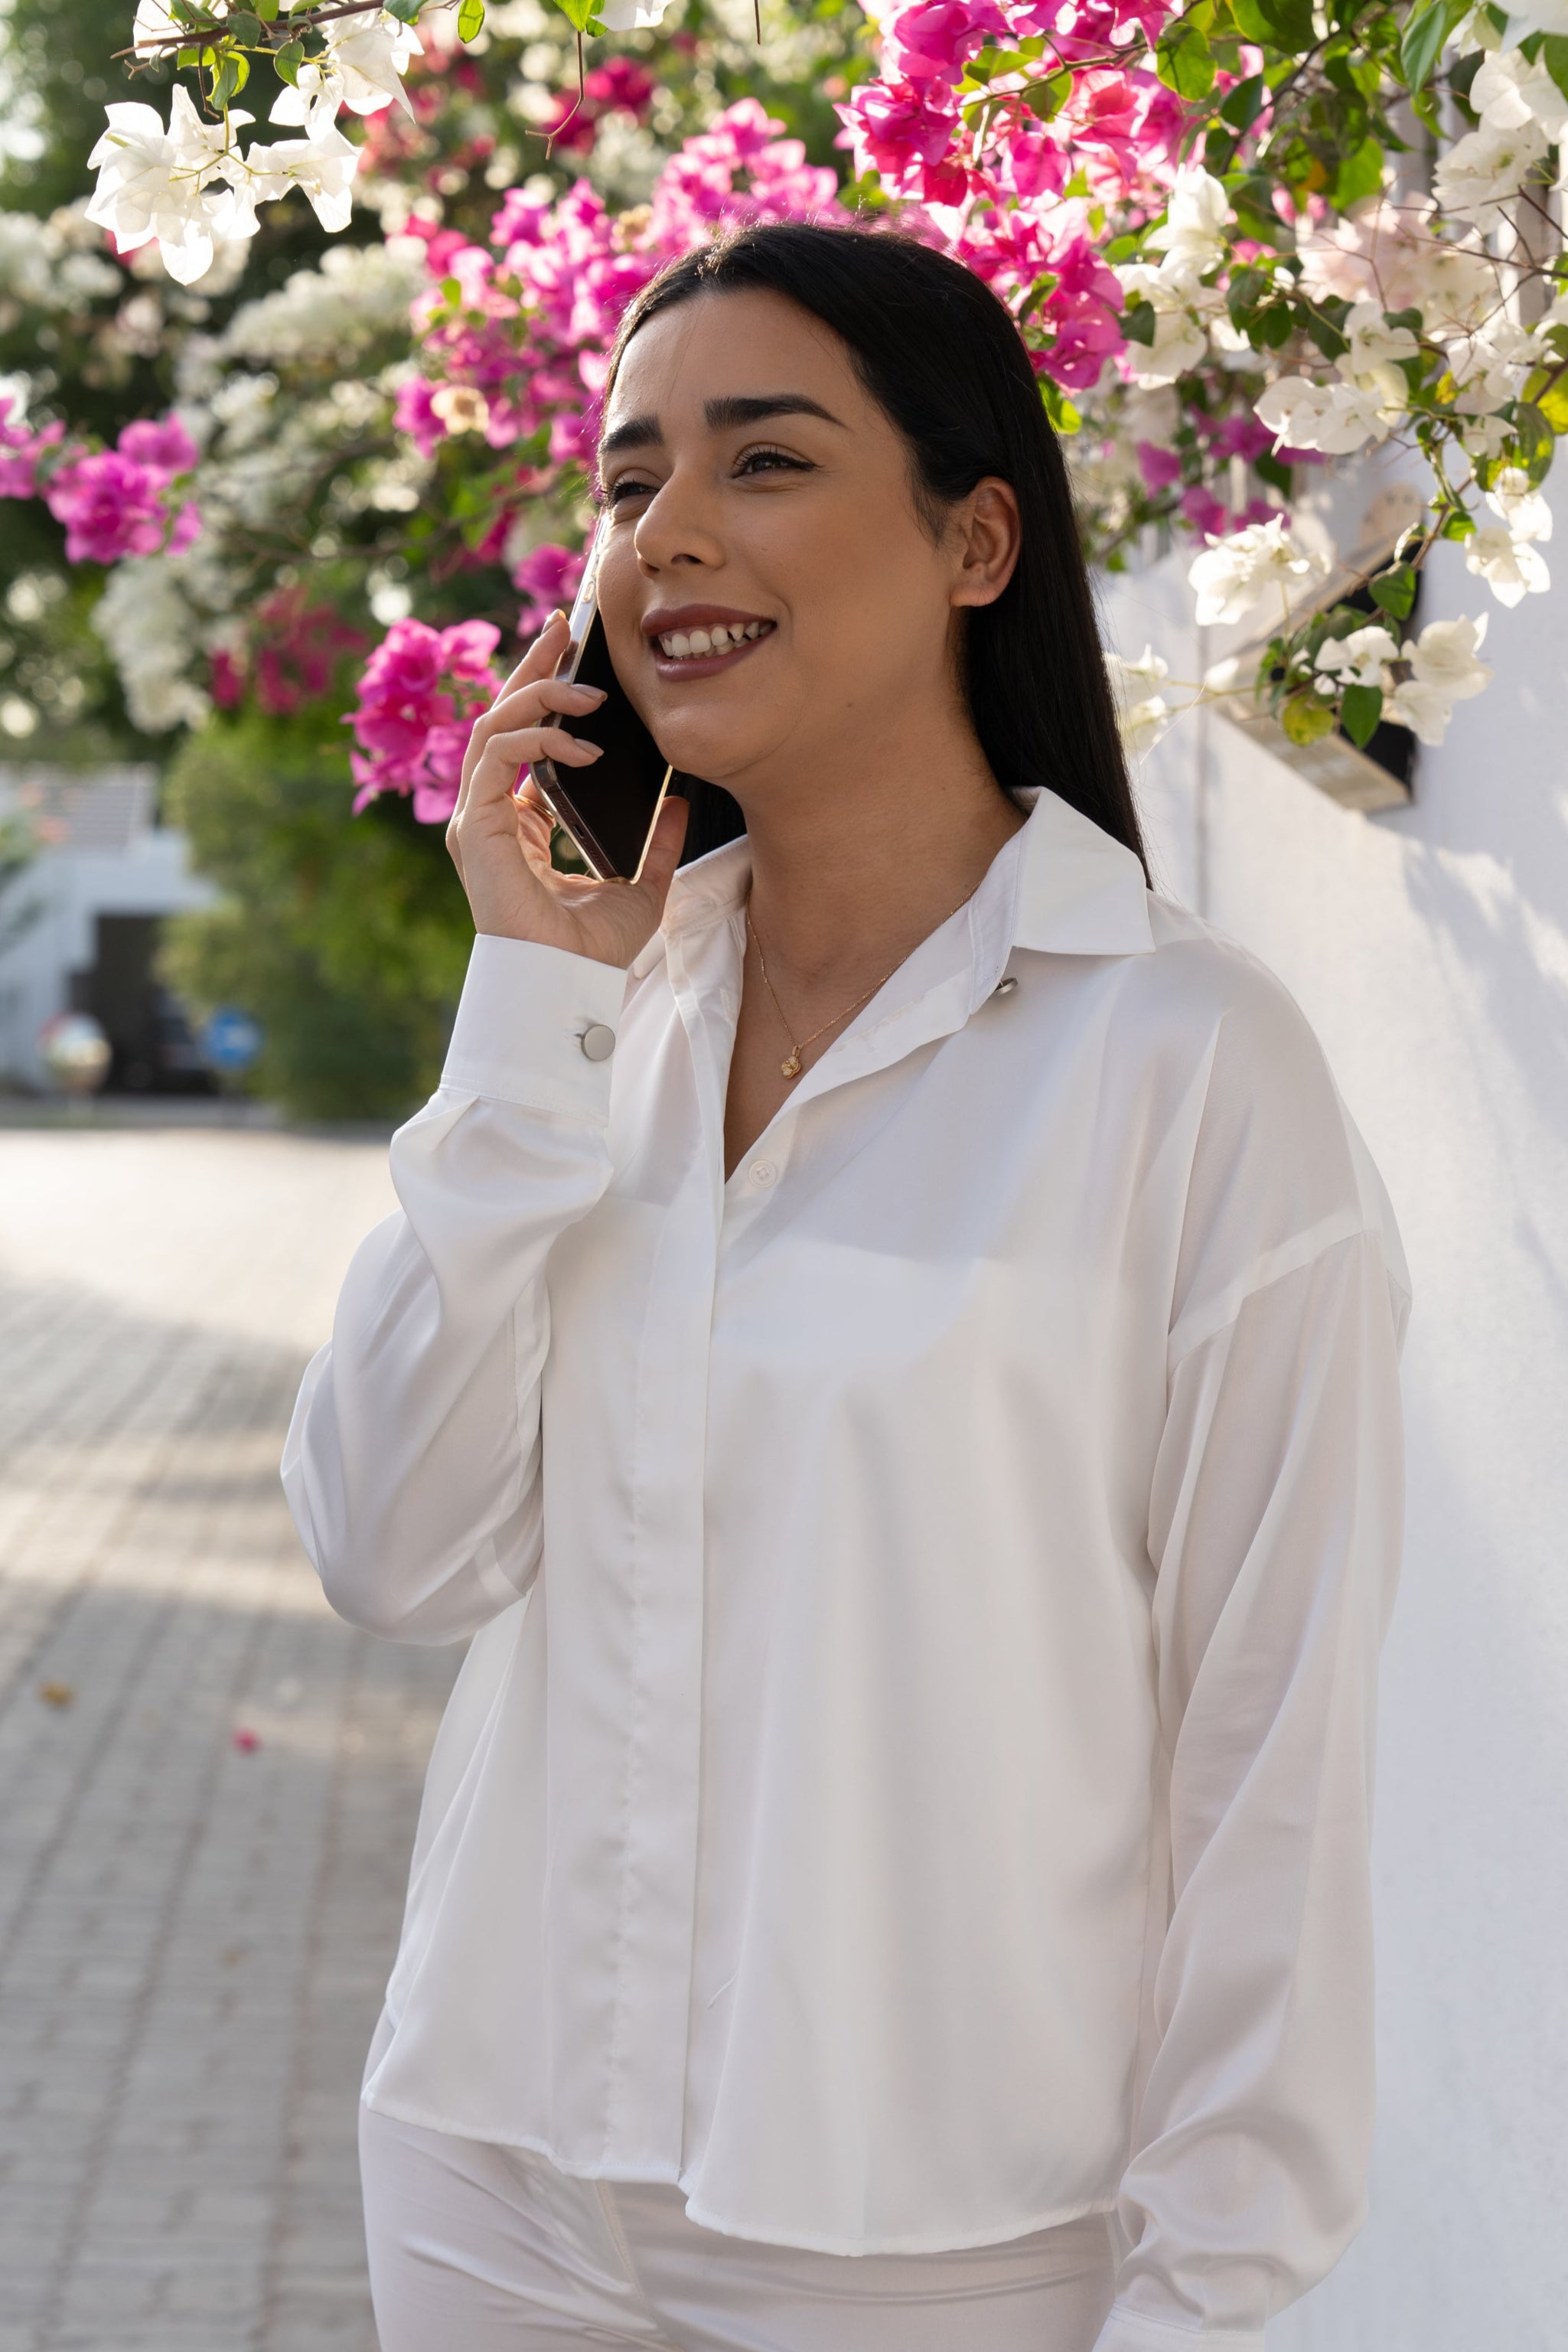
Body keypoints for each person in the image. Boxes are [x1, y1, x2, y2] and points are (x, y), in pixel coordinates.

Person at [282, 222, 1412, 2352]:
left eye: (765, 459)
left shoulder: (1185, 1064)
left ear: (976, 538)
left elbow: (1271, 1748)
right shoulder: (593, 1033)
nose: (668, 535)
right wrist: (525, 1023)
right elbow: (386, 1548)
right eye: (627, 482)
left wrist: (1204, 2290)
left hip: (935, 2250)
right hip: (490, 2179)